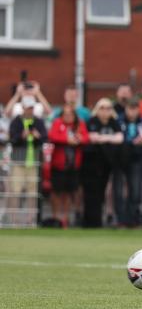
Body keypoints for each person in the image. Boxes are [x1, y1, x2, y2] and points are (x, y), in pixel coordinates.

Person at [82, 98, 123, 227]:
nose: (105, 111)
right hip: (91, 164)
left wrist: (102, 138)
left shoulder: (114, 122)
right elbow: (91, 138)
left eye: (108, 108)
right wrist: (110, 138)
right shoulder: (92, 122)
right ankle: (90, 222)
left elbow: (120, 138)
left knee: (102, 194)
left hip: (107, 164)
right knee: (91, 194)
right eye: (102, 108)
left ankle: (98, 221)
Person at [7, 96, 47, 225]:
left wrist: (37, 136)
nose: (30, 110)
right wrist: (21, 136)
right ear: (23, 107)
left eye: (32, 107)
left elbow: (44, 139)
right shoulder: (16, 122)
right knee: (15, 191)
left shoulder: (38, 122)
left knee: (32, 192)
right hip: (18, 161)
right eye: (28, 107)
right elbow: (12, 140)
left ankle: (31, 221)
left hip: (34, 162)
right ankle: (14, 220)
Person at [48, 106, 88, 227]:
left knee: (69, 192)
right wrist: (67, 140)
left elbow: (86, 138)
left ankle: (65, 218)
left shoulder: (79, 125)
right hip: (59, 165)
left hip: (73, 166)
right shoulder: (57, 123)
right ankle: (55, 217)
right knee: (56, 192)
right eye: (65, 114)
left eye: (70, 115)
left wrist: (79, 139)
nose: (68, 117)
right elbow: (52, 136)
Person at [116, 100, 142, 227]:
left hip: (136, 159)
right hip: (120, 159)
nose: (132, 112)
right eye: (130, 109)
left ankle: (132, 220)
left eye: (135, 109)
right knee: (119, 192)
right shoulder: (119, 121)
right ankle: (120, 220)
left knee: (135, 191)